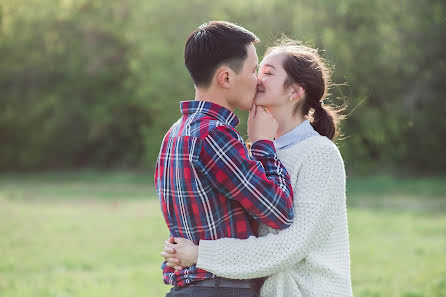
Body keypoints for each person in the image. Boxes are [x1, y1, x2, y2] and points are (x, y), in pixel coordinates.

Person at [161, 39, 353, 297]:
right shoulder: (259, 151)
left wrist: (200, 253)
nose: (257, 80)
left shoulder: (319, 154)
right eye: (257, 71)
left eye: (268, 73)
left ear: (295, 91)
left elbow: (290, 247)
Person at [154, 21, 295, 297]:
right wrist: (264, 144)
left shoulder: (174, 133)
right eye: (254, 70)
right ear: (226, 78)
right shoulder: (214, 135)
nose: (258, 81)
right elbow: (280, 212)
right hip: (223, 288)